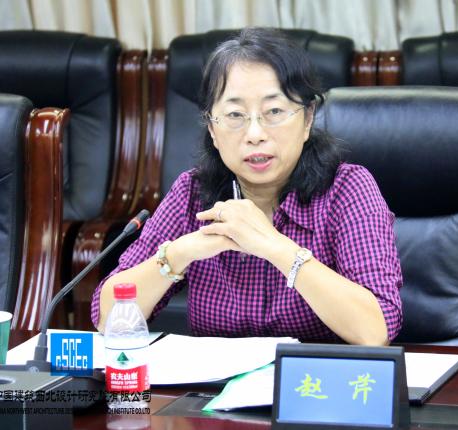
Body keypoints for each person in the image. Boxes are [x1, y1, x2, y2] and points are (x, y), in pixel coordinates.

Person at [91, 27, 402, 346]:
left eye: (274, 112)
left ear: (307, 119)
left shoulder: (346, 189)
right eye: (235, 115)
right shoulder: (192, 194)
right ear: (213, 129)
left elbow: (375, 331)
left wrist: (275, 247)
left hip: (313, 377)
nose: (255, 134)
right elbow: (106, 318)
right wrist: (180, 253)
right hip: (216, 379)